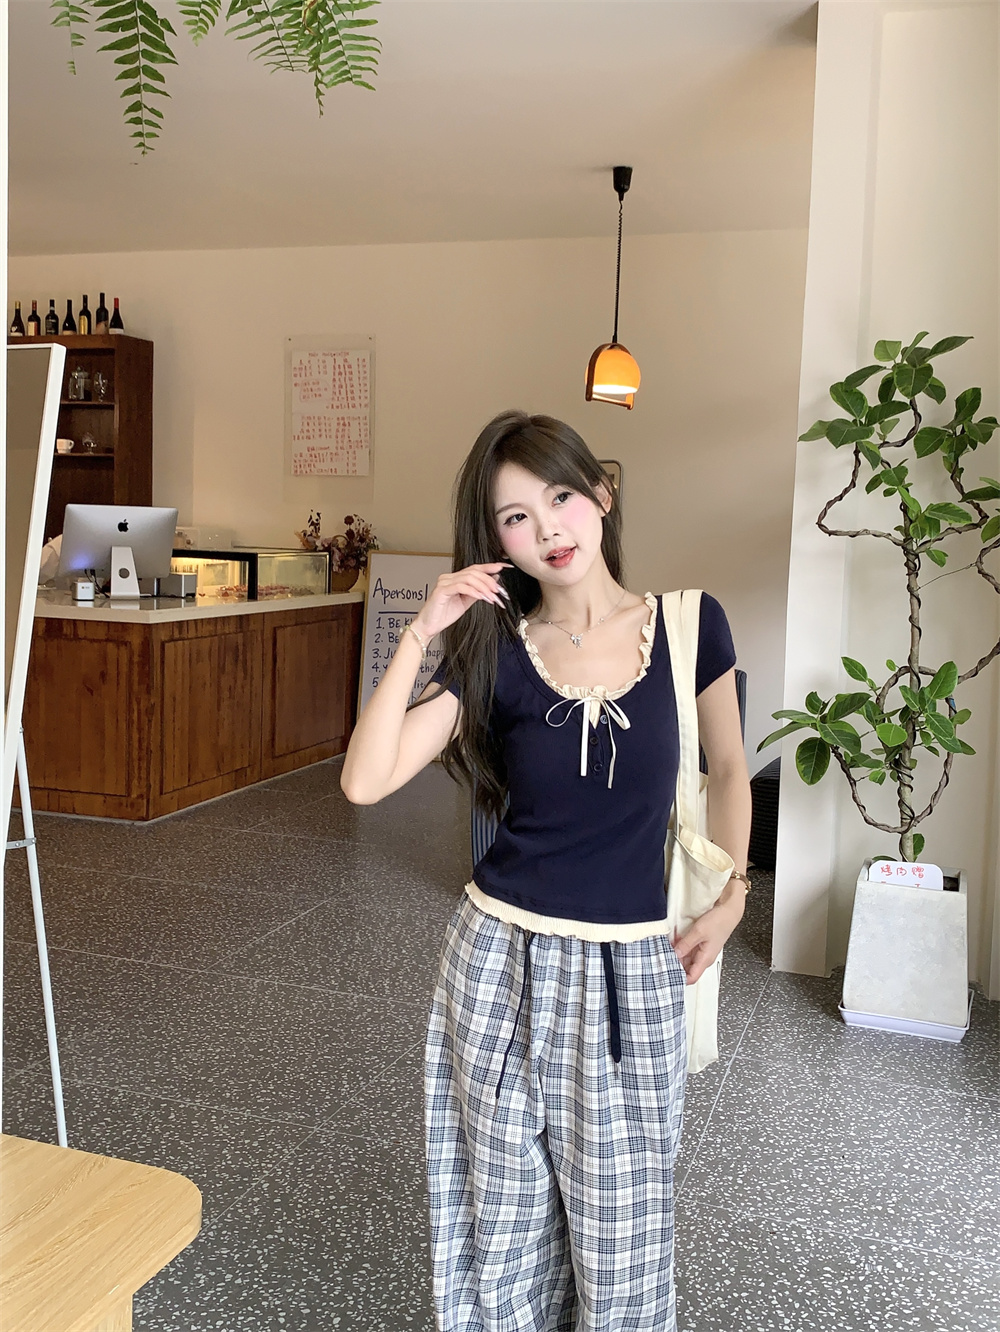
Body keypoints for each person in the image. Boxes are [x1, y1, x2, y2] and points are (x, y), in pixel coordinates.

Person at [340, 410, 752, 1332]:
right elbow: (365, 782)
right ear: (497, 541)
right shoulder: (496, 653)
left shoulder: (690, 627)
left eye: (561, 497)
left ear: (602, 494)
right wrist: (421, 633)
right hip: (499, 961)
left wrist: (733, 900)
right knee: (505, 1223)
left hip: (632, 970)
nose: (549, 529)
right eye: (516, 517)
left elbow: (729, 771)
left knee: (623, 1238)